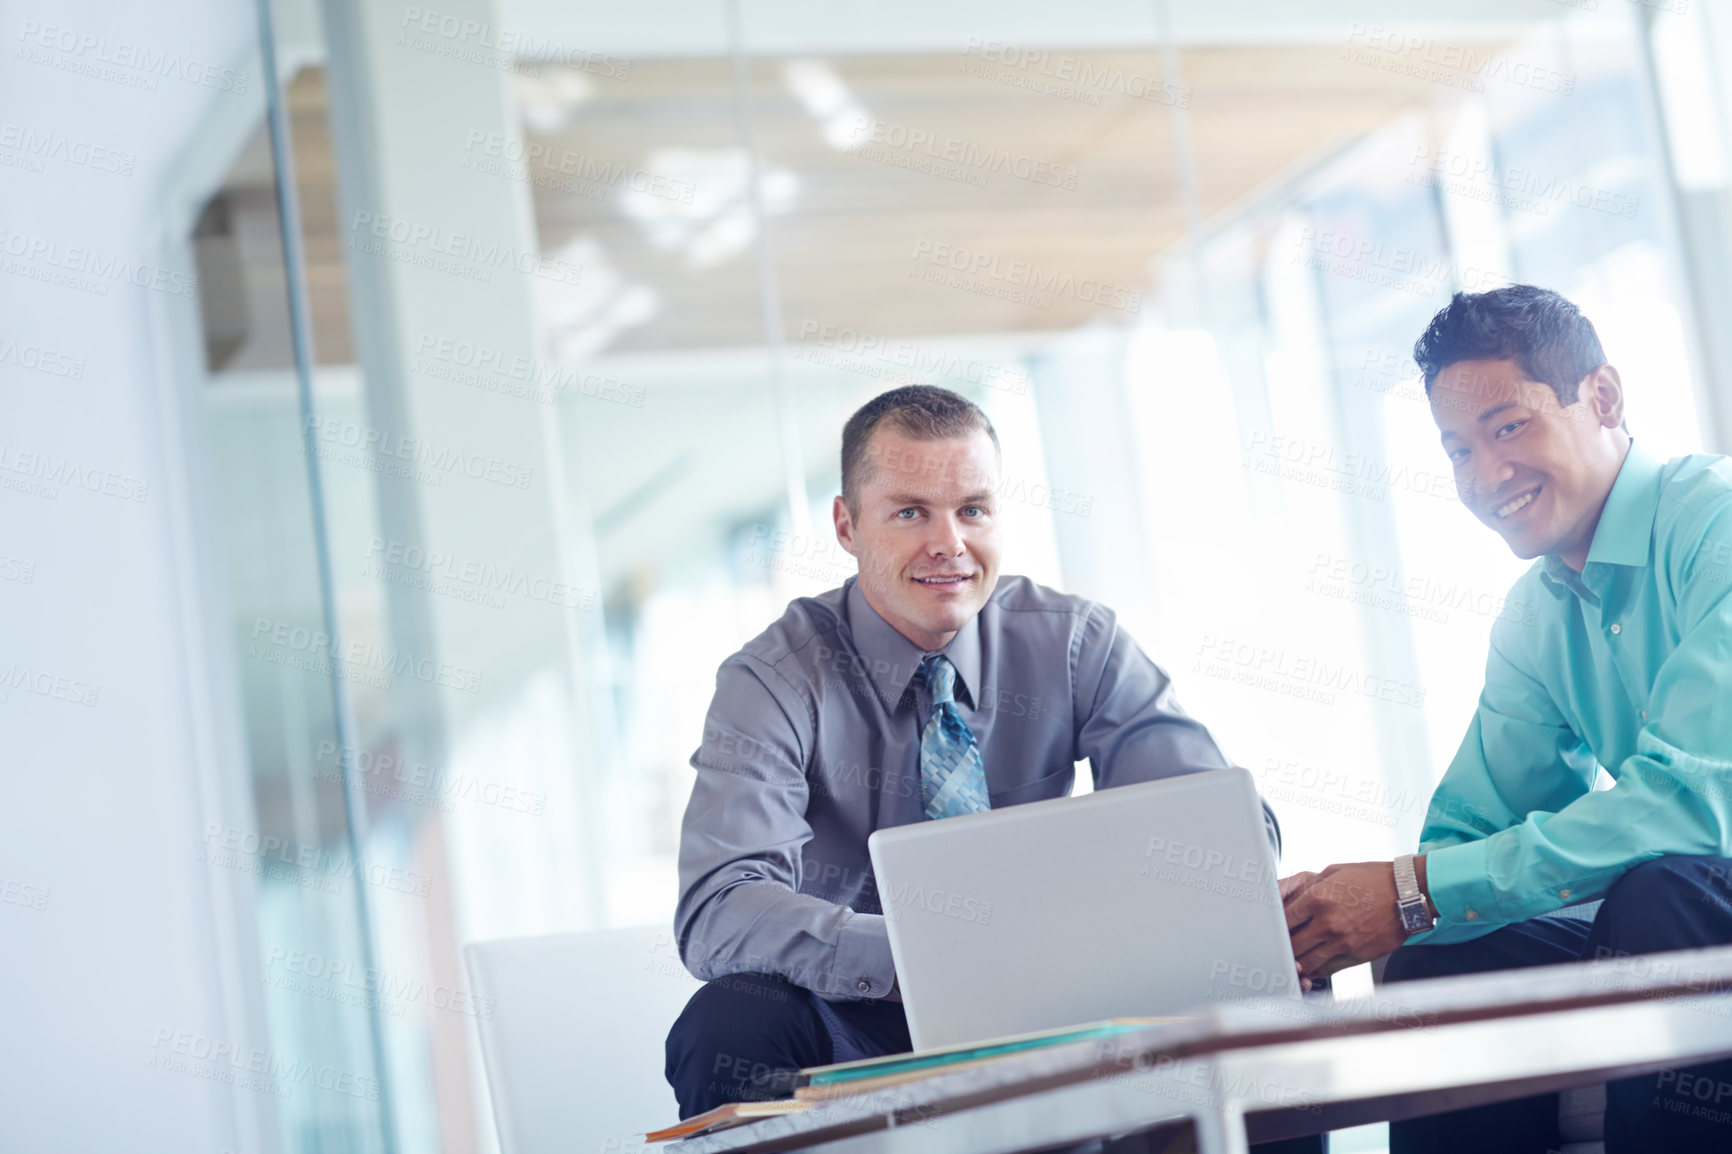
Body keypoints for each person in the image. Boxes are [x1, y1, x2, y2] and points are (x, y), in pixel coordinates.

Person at [666, 385, 1315, 1153]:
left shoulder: (1073, 642)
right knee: (729, 1018)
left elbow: (1218, 827)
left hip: (1071, 1000)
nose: (950, 544)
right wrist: (936, 956)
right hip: (872, 1018)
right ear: (847, 525)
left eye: (972, 510)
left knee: (1263, 989)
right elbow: (719, 908)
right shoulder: (773, 679)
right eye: (910, 512)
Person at [1280, 285, 1732, 1153]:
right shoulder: (1538, 614)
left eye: (1509, 427)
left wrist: (1414, 891)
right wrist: (1335, 916)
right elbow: (1467, 838)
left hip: (1698, 890)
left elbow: (1694, 809)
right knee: (1439, 958)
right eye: (1458, 449)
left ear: (1602, 397)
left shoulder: (1714, 526)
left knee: (1660, 894)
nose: (1485, 476)